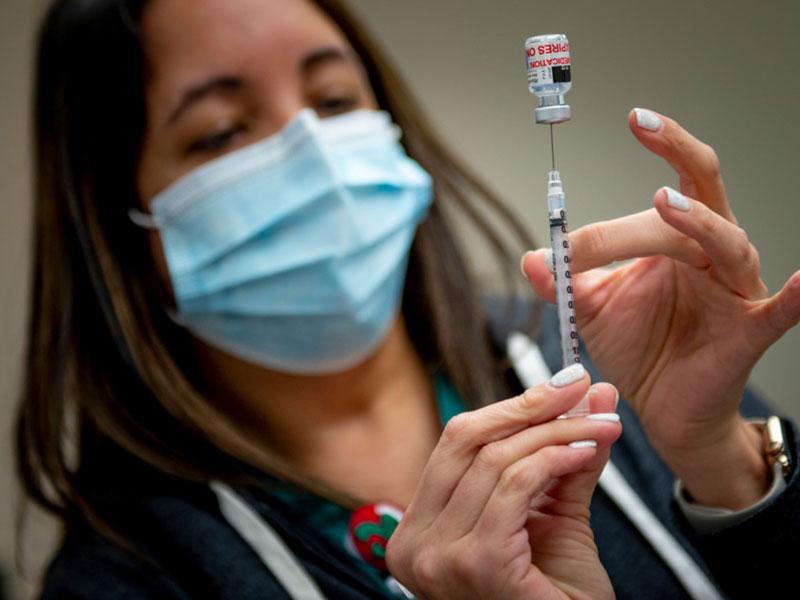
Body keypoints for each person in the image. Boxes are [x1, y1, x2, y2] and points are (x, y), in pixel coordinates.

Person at [16, 0, 799, 598]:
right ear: (115, 222)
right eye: (220, 133)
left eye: (331, 99)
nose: (315, 157)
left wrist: (723, 462)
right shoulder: (129, 577)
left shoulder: (607, 353)